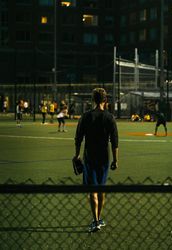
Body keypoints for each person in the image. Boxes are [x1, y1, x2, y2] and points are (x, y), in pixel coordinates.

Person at [73, 88, 119, 233]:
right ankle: (98, 219)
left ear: (93, 100)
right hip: (104, 157)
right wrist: (116, 160)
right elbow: (115, 141)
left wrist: (76, 155)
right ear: (105, 100)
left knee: (92, 189)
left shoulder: (85, 117)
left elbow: (78, 138)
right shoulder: (110, 117)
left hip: (90, 156)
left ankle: (95, 221)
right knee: (101, 187)